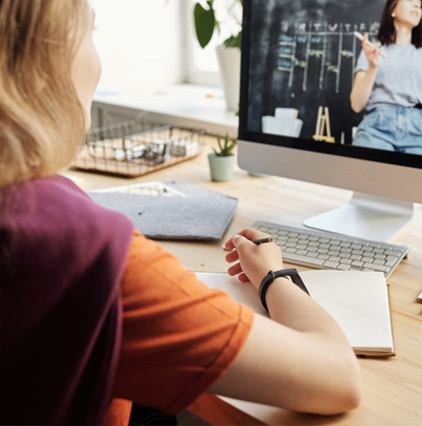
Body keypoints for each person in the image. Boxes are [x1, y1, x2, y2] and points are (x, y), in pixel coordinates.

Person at [0, 1, 361, 424]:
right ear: (40, 64)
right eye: (90, 34)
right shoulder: (89, 253)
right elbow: (339, 379)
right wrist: (274, 276)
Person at [351, 0, 422, 154]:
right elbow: (356, 104)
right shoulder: (372, 50)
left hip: (418, 129)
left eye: (419, 4)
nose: (417, 5)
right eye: (410, 0)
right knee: (365, 174)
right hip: (376, 127)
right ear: (393, 10)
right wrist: (373, 66)